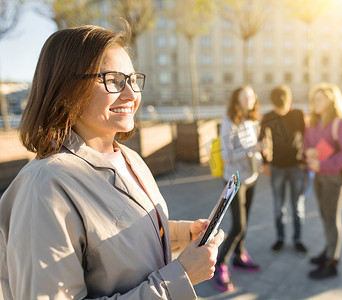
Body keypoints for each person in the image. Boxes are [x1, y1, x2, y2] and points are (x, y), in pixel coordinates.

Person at [0, 25, 224, 299]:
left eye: (132, 79)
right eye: (114, 80)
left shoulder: (129, 158)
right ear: (66, 88)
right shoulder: (44, 187)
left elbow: (111, 240)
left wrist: (180, 234)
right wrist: (181, 278)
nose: (132, 94)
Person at [303, 82, 342, 279]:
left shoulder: (340, 123)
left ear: (331, 101)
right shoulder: (314, 122)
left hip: (333, 179)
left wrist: (323, 165)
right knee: (325, 216)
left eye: (319, 99)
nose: (314, 103)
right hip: (318, 177)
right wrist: (306, 152)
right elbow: (305, 146)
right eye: (313, 99)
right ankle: (328, 252)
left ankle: (332, 262)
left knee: (332, 219)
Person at [211, 85, 262, 292]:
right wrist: (253, 149)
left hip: (251, 177)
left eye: (251, 95)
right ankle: (220, 265)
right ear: (236, 99)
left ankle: (240, 256)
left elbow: (252, 149)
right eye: (245, 95)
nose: (250, 98)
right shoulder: (229, 121)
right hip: (234, 179)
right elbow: (227, 156)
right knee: (238, 226)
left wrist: (260, 153)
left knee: (245, 221)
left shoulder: (251, 119)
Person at [258, 85, 308, 256]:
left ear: (290, 101)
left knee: (297, 207)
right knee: (278, 207)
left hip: (297, 167)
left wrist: (305, 161)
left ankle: (298, 240)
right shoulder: (268, 117)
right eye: (277, 108)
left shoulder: (299, 115)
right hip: (277, 167)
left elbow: (308, 138)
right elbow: (261, 139)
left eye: (283, 107)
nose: (280, 111)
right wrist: (264, 162)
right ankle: (280, 238)